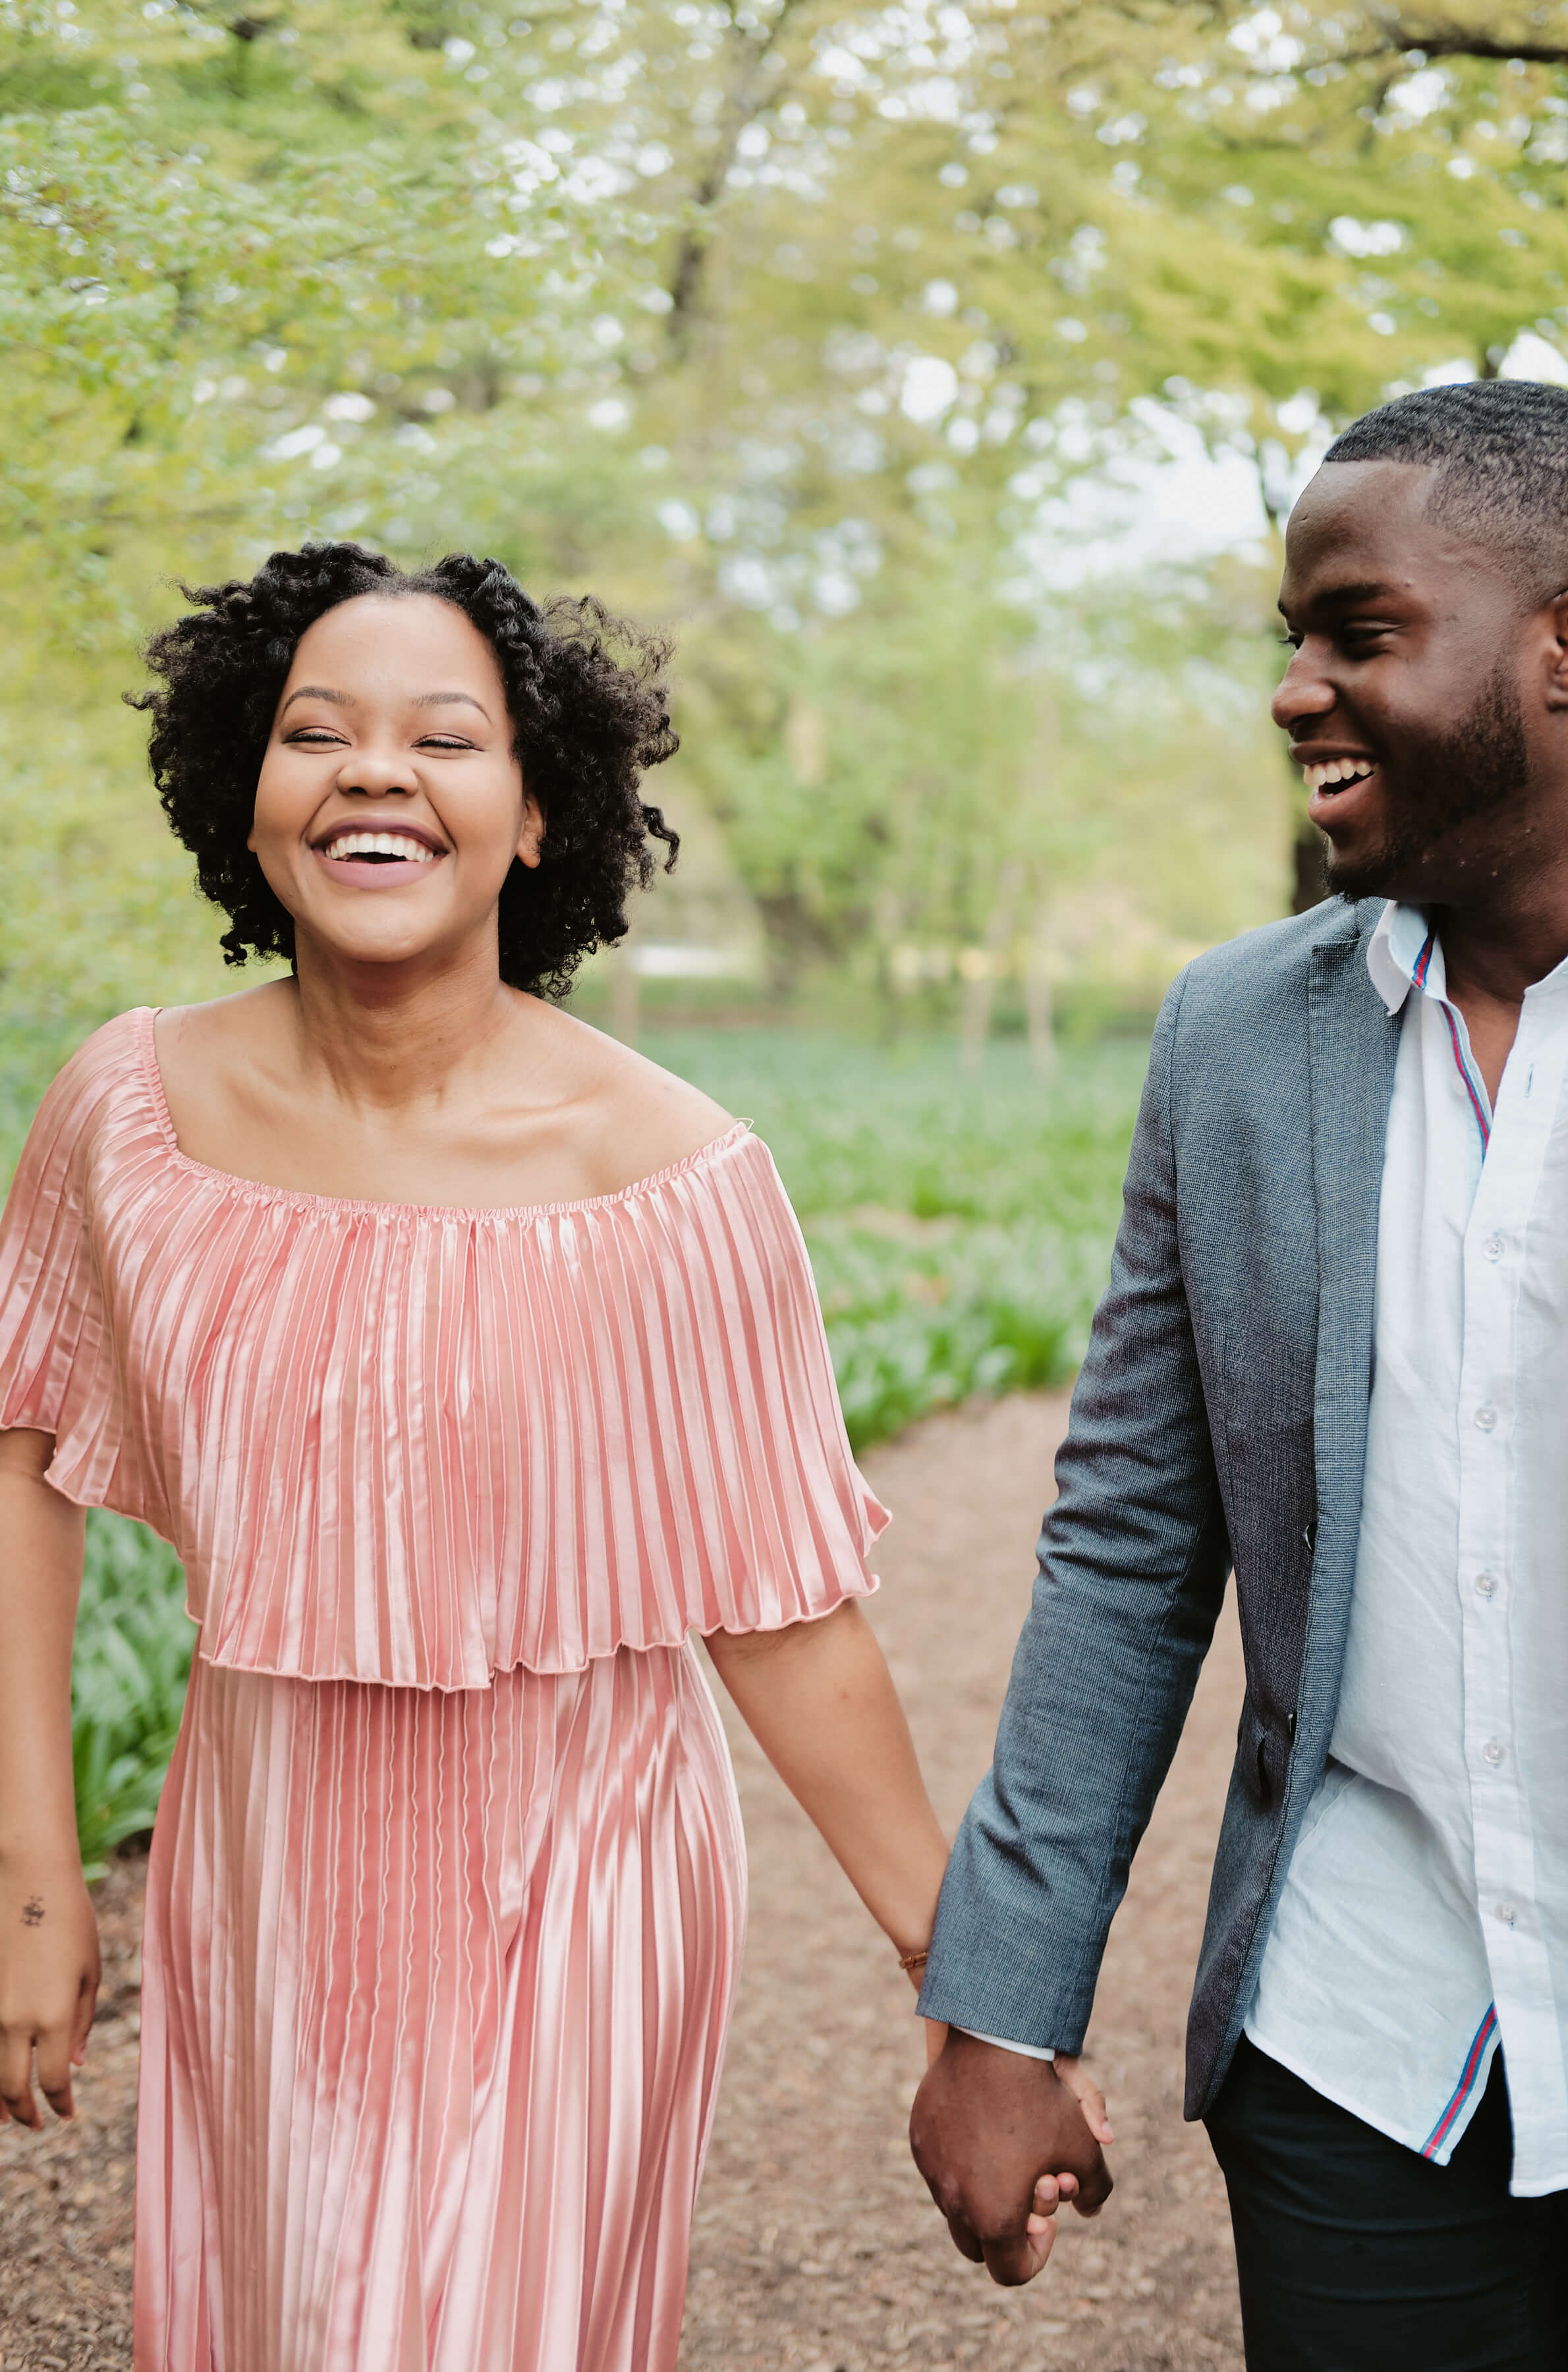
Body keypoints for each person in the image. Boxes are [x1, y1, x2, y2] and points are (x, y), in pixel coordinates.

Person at [0, 544, 955, 2372]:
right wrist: (31, 1873)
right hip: (262, 1865)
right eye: (315, 734)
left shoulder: (668, 1178)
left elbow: (789, 1621)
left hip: (576, 1875)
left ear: (535, 818)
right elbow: (23, 1451)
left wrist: (969, 1986)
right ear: (245, 800)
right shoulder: (125, 1114)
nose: (373, 771)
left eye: (445, 737)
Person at [908, 379, 1568, 2368]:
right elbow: (1128, 1544)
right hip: (1368, 2040)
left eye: (1359, 633)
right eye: (1290, 641)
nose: (1297, 691)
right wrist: (1004, 2006)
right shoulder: (1233, 1043)